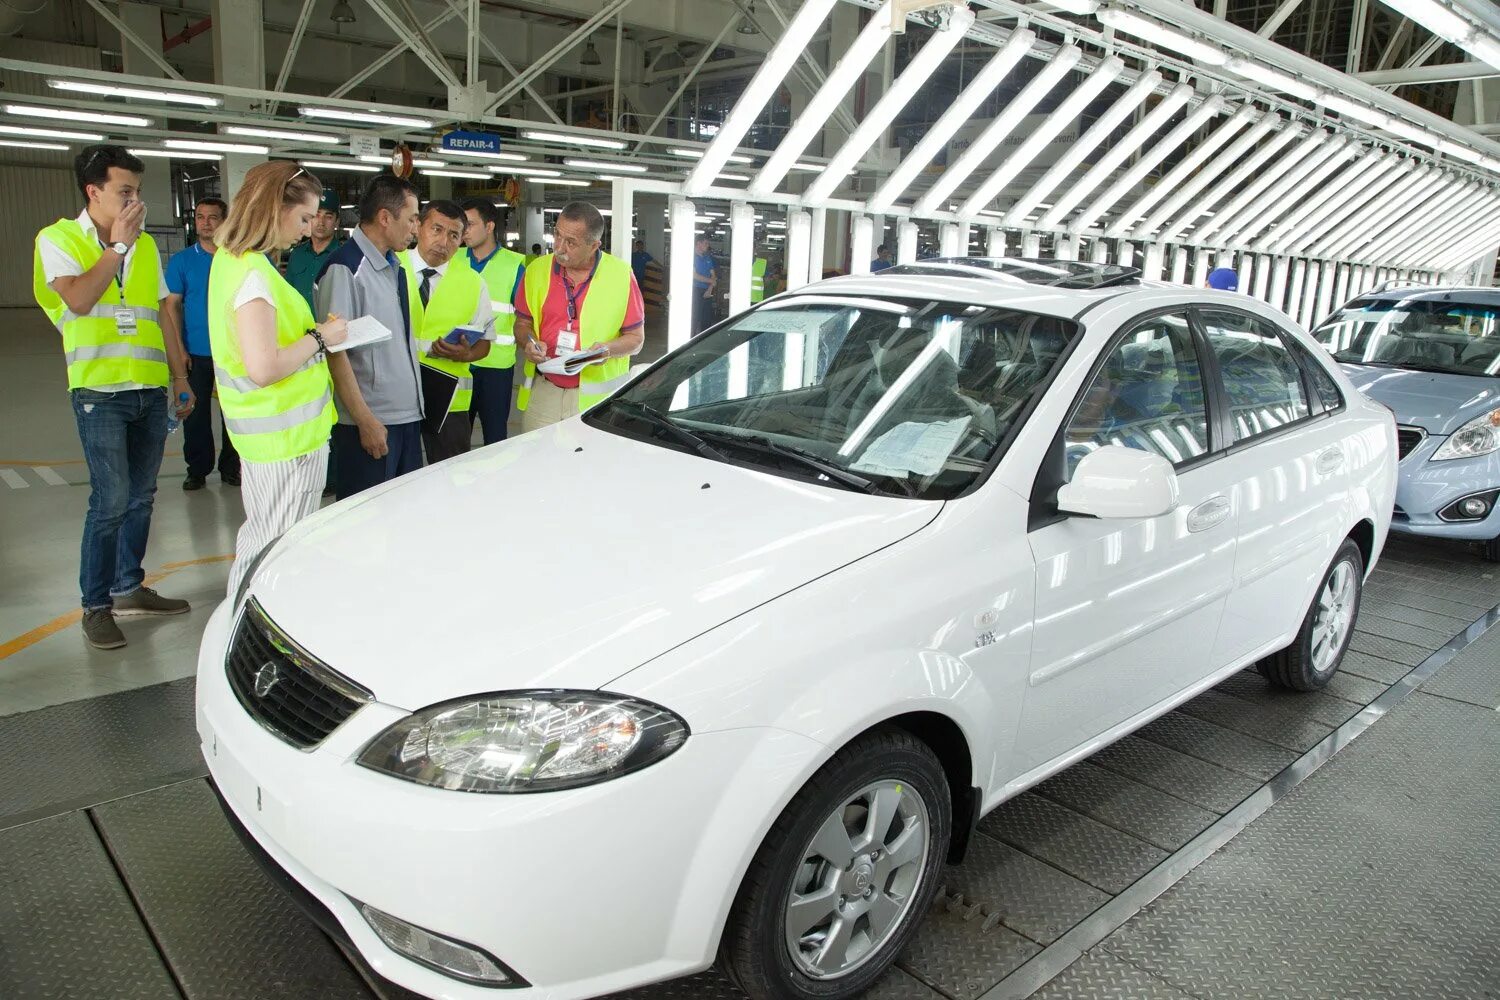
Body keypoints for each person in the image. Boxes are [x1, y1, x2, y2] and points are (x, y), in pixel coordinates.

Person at [33, 144, 195, 650]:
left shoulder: (146, 246)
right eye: (125, 191)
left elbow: (161, 312)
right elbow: (79, 299)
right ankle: (96, 605)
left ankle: (129, 586)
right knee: (110, 502)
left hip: (148, 390)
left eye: (138, 192)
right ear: (93, 191)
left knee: (142, 497)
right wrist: (117, 248)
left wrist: (179, 377)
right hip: (99, 392)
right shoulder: (57, 238)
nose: (134, 202)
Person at [209, 162, 346, 600]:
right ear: (274, 208)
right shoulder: (253, 276)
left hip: (272, 441)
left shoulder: (233, 263)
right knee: (273, 554)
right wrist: (321, 337)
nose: (308, 231)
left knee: (262, 545)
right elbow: (264, 368)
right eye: (304, 218)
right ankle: (250, 642)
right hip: (286, 445)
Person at [319, 175, 424, 500]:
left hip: (406, 417)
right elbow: (336, 352)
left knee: (404, 518)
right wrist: (365, 420)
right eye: (411, 219)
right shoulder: (346, 269)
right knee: (367, 529)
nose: (415, 229)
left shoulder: (395, 267)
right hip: (372, 424)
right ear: (384, 217)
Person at [514, 201, 644, 433]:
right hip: (546, 389)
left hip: (598, 401)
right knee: (537, 463)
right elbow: (522, 323)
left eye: (571, 242)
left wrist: (606, 350)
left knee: (590, 467)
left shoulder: (621, 276)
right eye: (557, 235)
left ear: (594, 245)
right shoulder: (536, 271)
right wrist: (530, 342)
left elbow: (636, 339)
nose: (560, 247)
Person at [400, 200, 494, 463]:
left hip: (450, 401)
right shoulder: (390, 267)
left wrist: (465, 354)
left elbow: (485, 344)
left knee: (451, 478)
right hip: (396, 395)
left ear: (462, 239)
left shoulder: (473, 283)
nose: (444, 242)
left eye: (454, 235)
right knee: (395, 479)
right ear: (418, 226)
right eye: (436, 229)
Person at [164, 197, 239, 492]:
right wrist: (179, 350)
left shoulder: (236, 257)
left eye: (213, 217)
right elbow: (171, 306)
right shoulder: (182, 261)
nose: (206, 223)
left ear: (225, 221)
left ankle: (232, 467)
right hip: (196, 352)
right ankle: (197, 469)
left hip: (232, 353)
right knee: (194, 415)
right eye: (200, 217)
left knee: (232, 414)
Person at [462, 197, 527, 445]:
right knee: (455, 438)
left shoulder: (514, 265)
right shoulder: (453, 260)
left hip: (496, 368)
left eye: (470, 224)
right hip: (458, 363)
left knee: (495, 439)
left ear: (489, 227)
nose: (464, 231)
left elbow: (524, 316)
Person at [285, 191, 344, 309]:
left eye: (328, 217)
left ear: (337, 222)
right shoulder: (297, 254)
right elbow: (287, 295)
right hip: (298, 326)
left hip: (330, 326)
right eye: (317, 215)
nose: (321, 222)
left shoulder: (344, 257)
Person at [692, 236, 717, 335]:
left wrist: (710, 289)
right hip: (695, 290)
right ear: (699, 244)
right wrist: (711, 281)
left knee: (706, 319)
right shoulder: (691, 257)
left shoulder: (707, 258)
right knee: (694, 317)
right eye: (706, 243)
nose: (708, 246)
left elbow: (713, 275)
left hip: (707, 291)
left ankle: (703, 340)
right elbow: (694, 275)